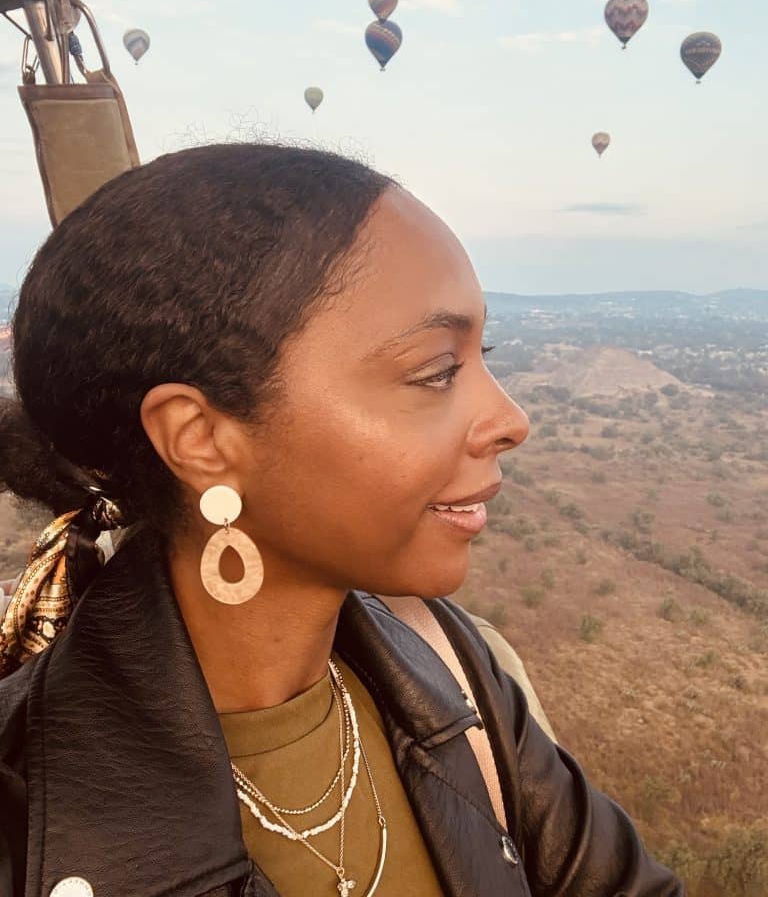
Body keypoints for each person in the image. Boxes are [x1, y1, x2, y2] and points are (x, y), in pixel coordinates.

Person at [0, 144, 684, 897]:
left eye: (482, 355)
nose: (510, 419)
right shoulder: (24, 822)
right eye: (436, 372)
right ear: (202, 439)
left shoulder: (450, 672)